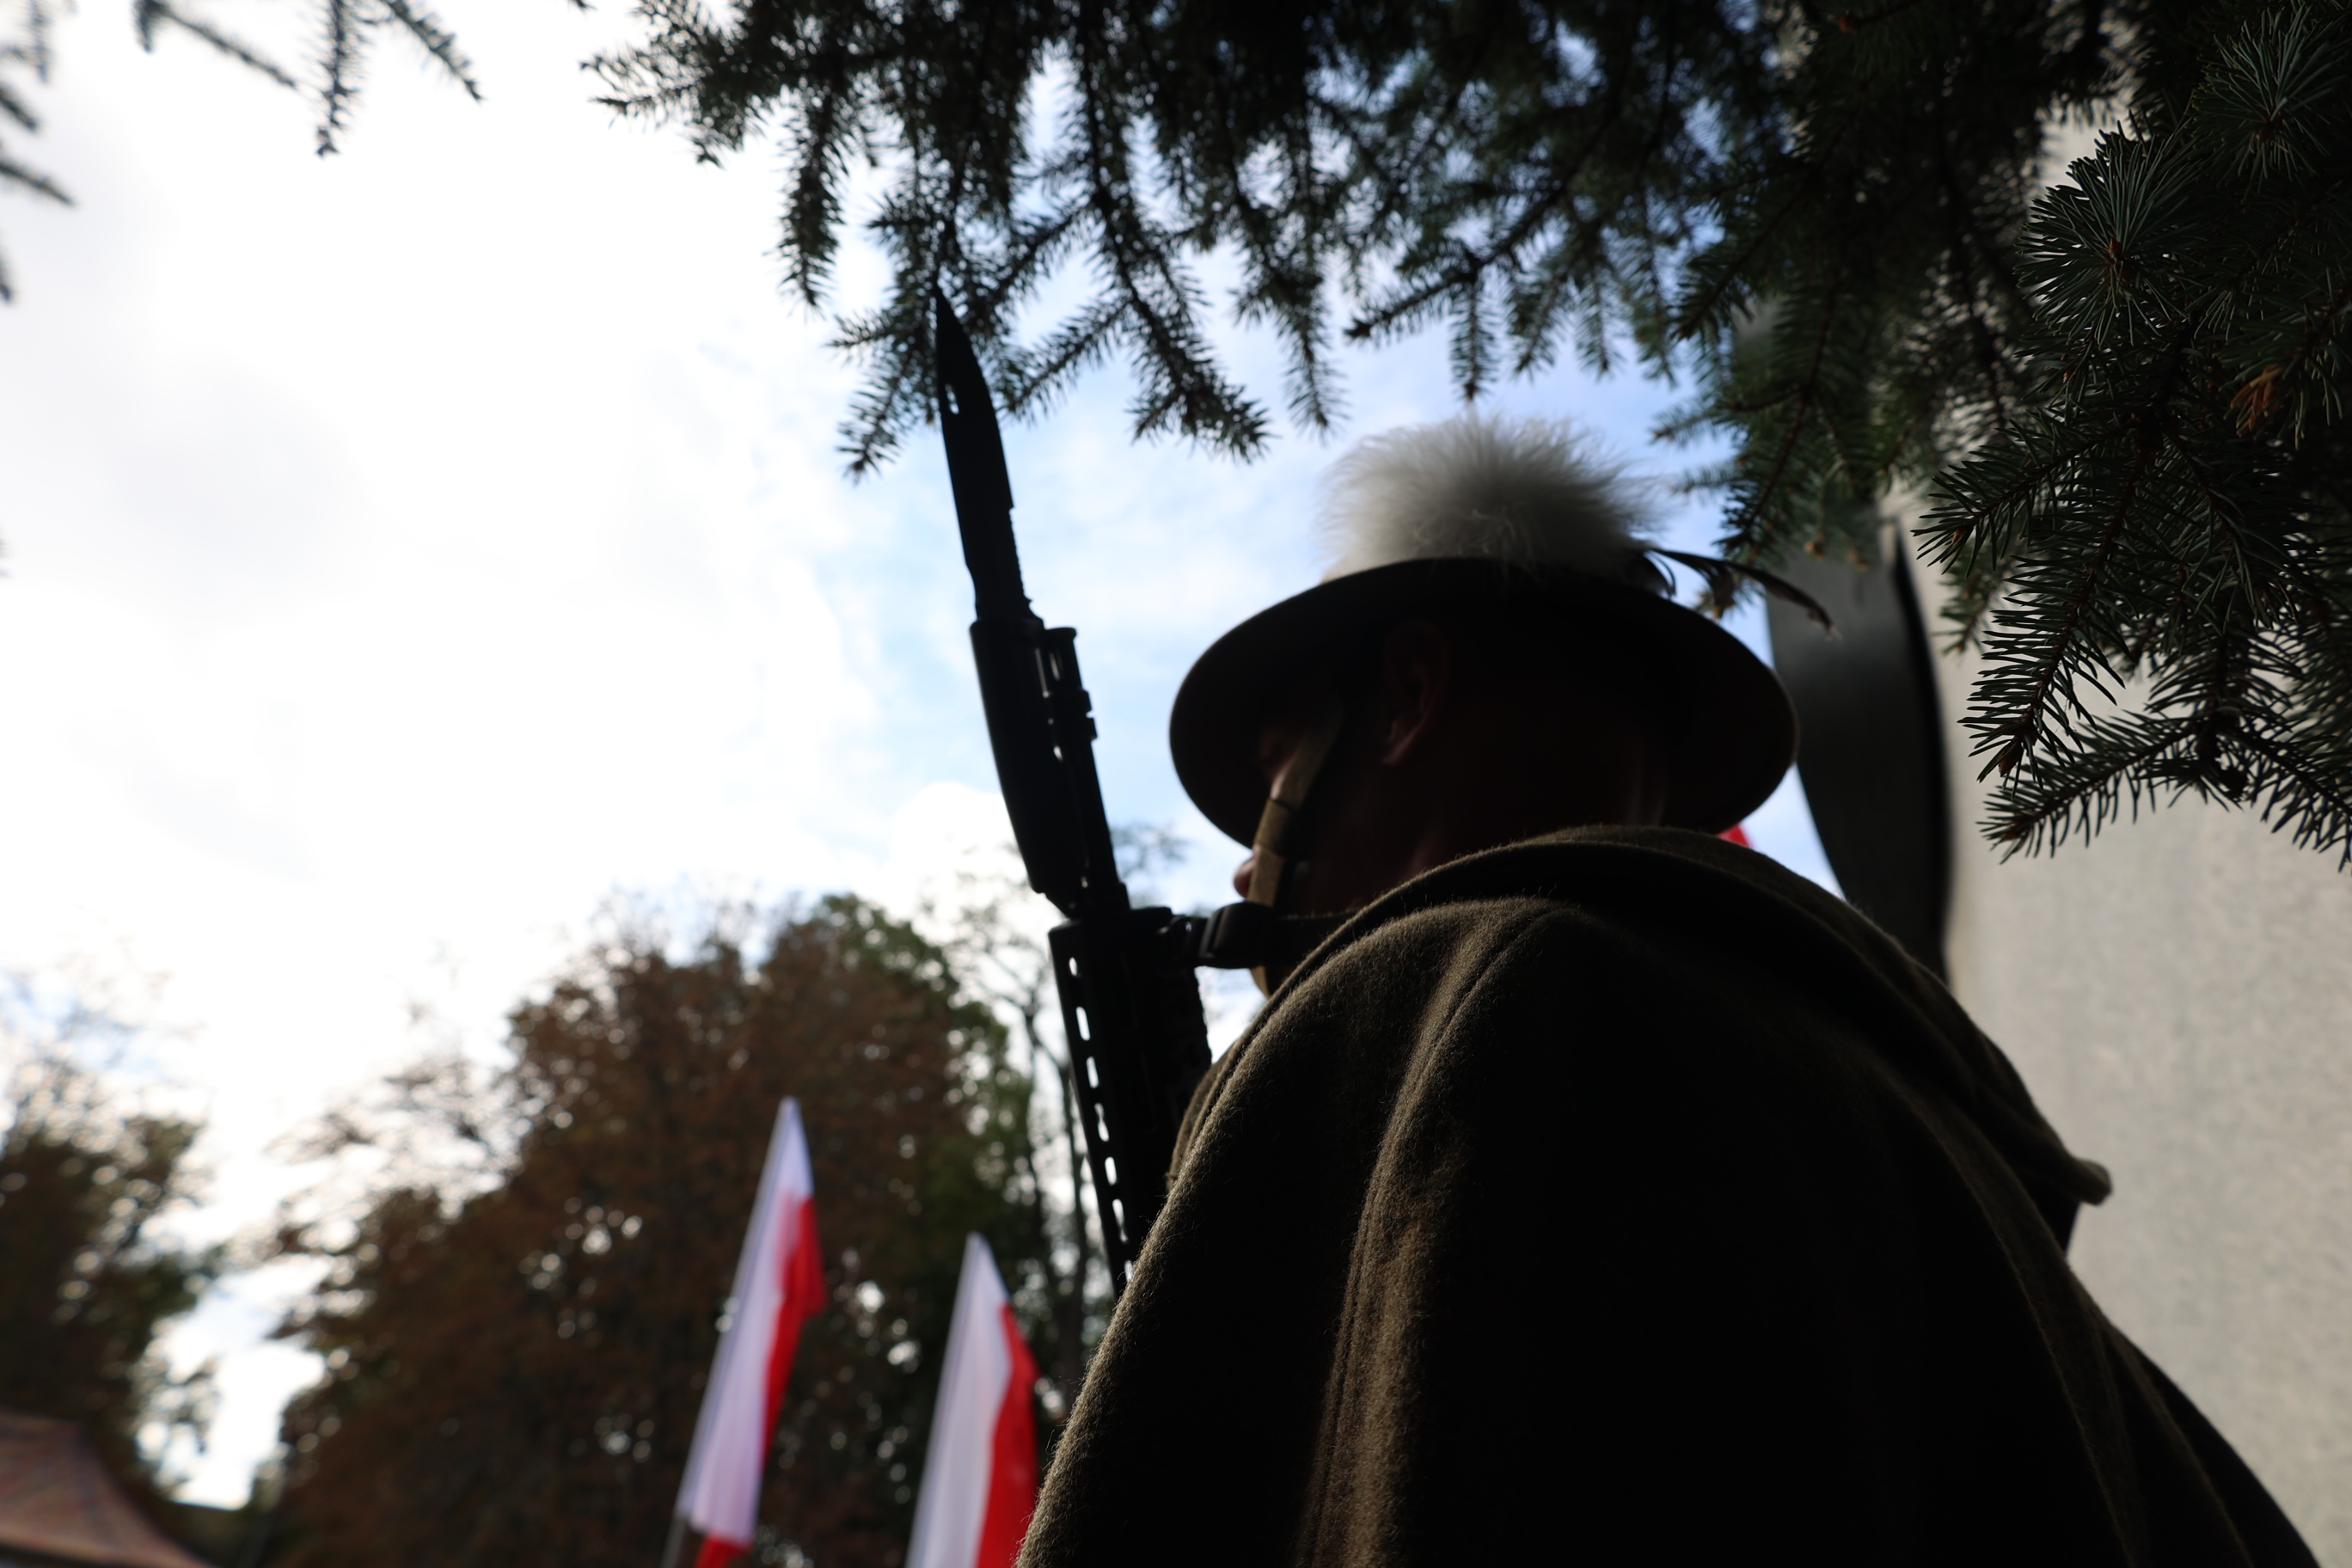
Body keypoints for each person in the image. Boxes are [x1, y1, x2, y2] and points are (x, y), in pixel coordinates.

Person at [1016, 416, 2318, 1566]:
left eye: (1275, 763)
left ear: (1407, 696)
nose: (1245, 861)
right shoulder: (1925, 1131)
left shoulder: (1456, 998)